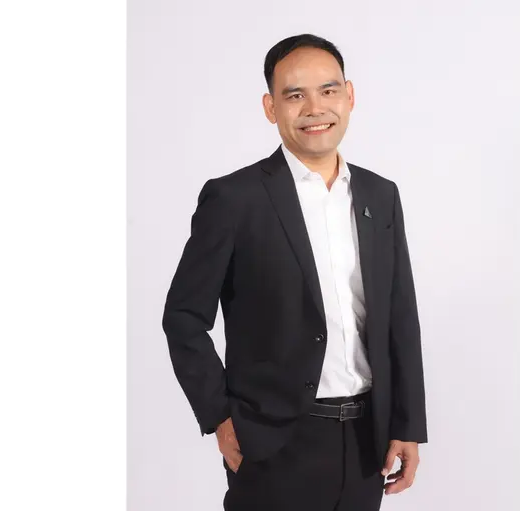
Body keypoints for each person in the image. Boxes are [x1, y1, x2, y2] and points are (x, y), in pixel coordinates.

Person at [162, 33, 428, 511]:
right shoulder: (234, 199)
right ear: (271, 107)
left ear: (349, 96)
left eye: (328, 90)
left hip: (367, 443)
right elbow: (183, 317)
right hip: (273, 443)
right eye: (295, 95)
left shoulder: (380, 195)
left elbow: (399, 315)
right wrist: (220, 418)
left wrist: (407, 424)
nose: (314, 108)